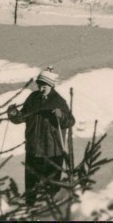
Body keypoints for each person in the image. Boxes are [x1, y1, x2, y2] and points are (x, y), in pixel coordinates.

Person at [7, 68, 75, 205]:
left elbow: (70, 121)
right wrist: (13, 114)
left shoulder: (58, 101)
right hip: (33, 149)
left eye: (44, 86)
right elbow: (22, 117)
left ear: (51, 85)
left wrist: (61, 116)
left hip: (53, 151)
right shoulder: (33, 99)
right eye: (39, 86)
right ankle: (30, 209)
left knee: (51, 188)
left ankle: (51, 212)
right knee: (31, 186)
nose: (41, 88)